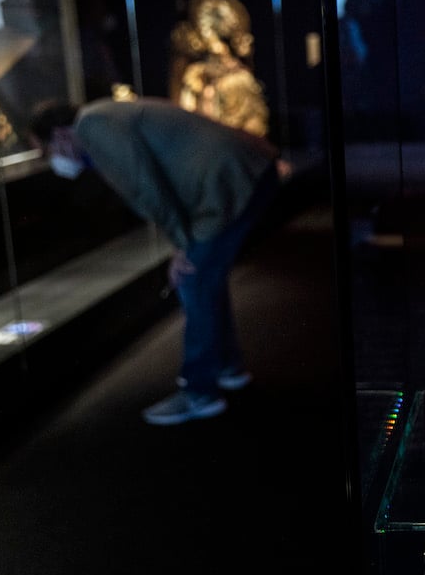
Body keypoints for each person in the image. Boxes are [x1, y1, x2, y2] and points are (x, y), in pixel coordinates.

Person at [30, 97, 281, 425]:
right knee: (206, 277)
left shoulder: (92, 126)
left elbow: (146, 189)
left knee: (192, 279)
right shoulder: (101, 115)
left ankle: (200, 392)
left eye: (46, 151)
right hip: (243, 171)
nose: (52, 160)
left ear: (60, 135)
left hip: (229, 179)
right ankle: (227, 367)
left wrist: (183, 247)